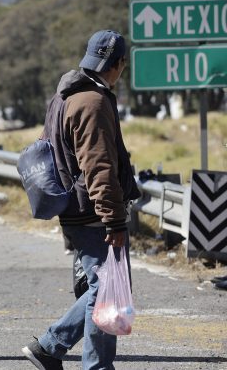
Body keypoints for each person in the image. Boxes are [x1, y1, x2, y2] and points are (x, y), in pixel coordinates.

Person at [21, 30, 140, 370]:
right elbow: (99, 165)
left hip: (75, 208)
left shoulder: (66, 96)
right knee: (106, 292)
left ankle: (48, 346)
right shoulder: (93, 101)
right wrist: (114, 220)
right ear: (118, 64)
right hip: (92, 213)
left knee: (103, 287)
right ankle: (95, 366)